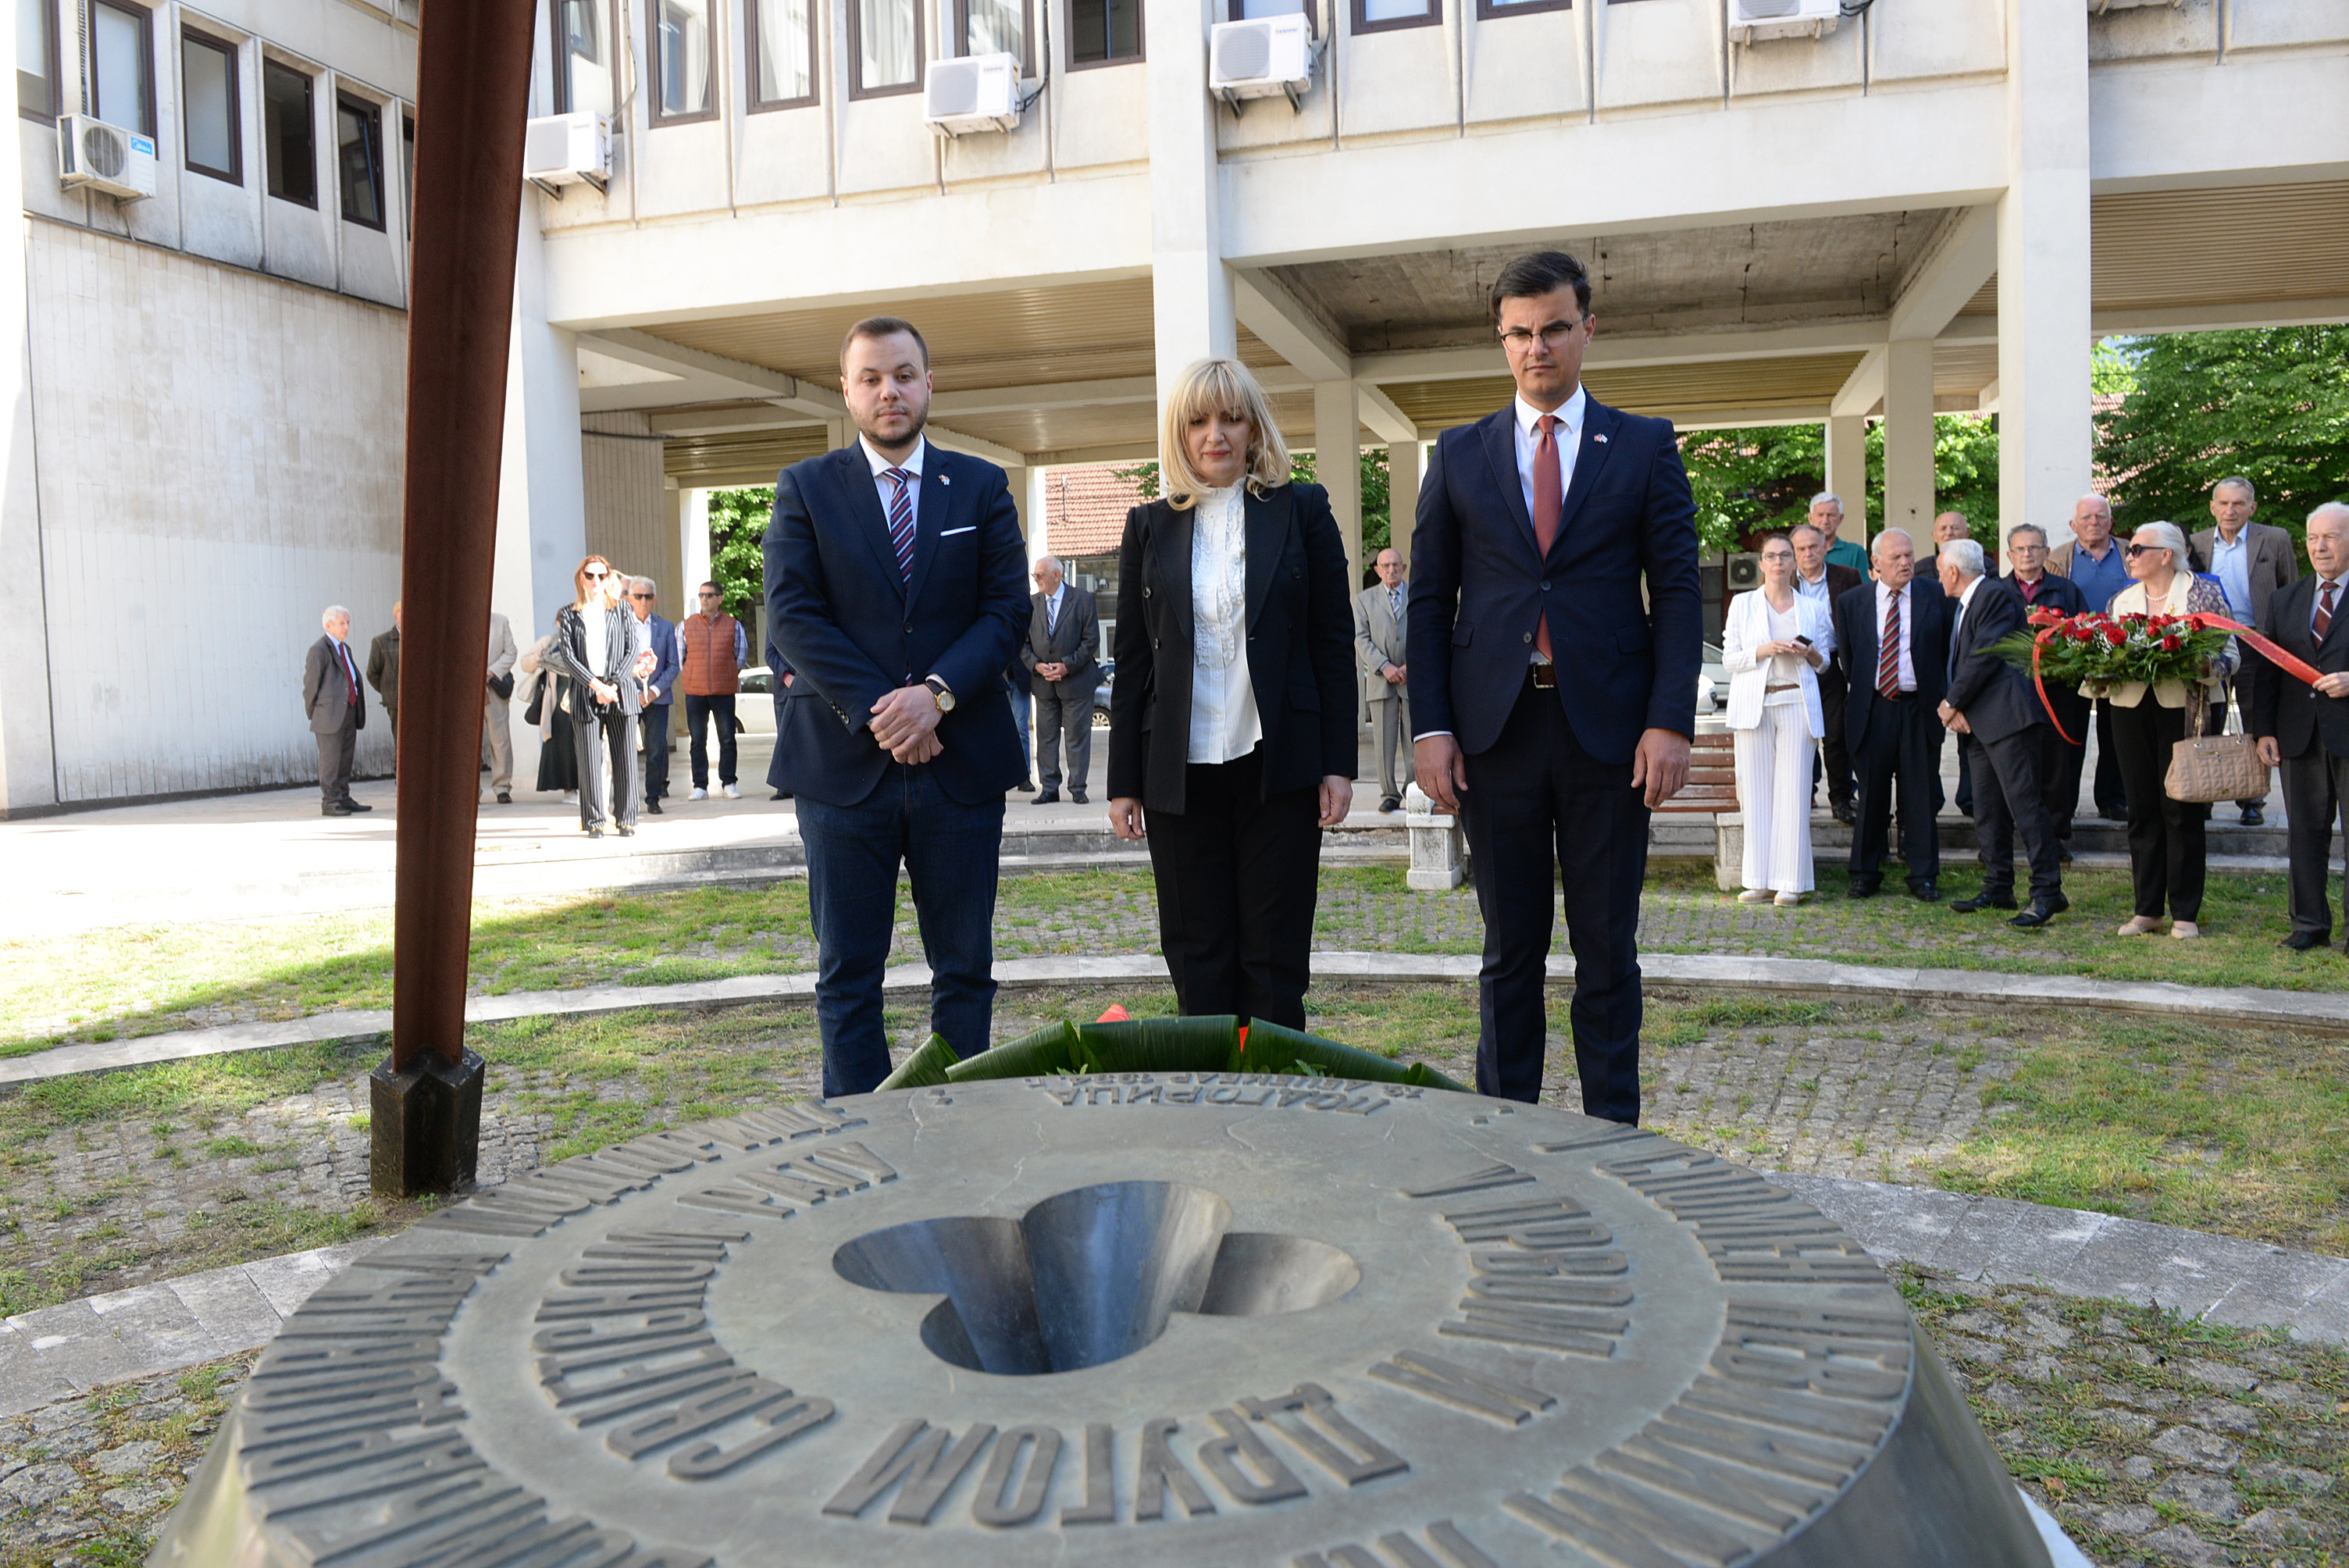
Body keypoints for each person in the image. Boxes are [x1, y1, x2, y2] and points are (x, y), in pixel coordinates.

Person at [1409, 250, 1702, 1121]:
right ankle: (1506, 1135)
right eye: (1519, 334)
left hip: (1609, 737)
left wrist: (1669, 721)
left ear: (1586, 328)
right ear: (1500, 340)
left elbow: (1678, 590)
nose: (1537, 348)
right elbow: (1427, 600)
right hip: (1492, 736)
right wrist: (1429, 726)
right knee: (1508, 952)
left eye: (1554, 329)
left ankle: (1612, 1141)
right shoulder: (1458, 455)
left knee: (1607, 951)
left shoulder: (1643, 444)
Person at [766, 315, 1028, 1096]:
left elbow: (1004, 611)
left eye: (904, 374)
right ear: (846, 389)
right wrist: (889, 709)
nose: (890, 391)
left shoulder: (979, 486)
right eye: (872, 377)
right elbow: (792, 616)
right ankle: (863, 1144)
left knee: (965, 971)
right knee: (846, 975)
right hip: (842, 770)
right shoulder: (805, 488)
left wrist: (936, 697)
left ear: (929, 382)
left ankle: (956, 1133)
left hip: (962, 767)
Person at [1108, 357, 1356, 1029]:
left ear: (1254, 428)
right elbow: (1132, 662)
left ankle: (1273, 1109)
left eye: (1230, 418)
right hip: (1177, 775)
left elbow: (1332, 644)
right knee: (1197, 953)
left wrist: (1338, 764)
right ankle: (1212, 1109)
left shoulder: (1303, 511)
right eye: (1198, 421)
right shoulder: (1146, 526)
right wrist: (1122, 781)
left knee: (1273, 960)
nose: (1214, 434)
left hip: (1278, 768)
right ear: (1181, 435)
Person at [2105, 521, 2238, 939]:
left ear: (2166, 554)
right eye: (2129, 548)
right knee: (2141, 809)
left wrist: (2203, 666)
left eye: (2138, 549)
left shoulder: (2201, 592)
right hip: (2130, 708)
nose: (2129, 555)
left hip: (2186, 708)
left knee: (2181, 810)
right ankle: (2147, 910)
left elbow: (2231, 653)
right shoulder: (2121, 599)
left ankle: (2184, 913)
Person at [1937, 540, 2067, 926]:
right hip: (1980, 723)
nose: (1939, 576)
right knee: (1989, 811)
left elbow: (1987, 653)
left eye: (1941, 569)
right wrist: (1960, 707)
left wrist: (1951, 702)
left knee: (2025, 806)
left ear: (1954, 571)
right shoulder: (1969, 602)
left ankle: (2047, 891)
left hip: (2008, 720)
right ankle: (1998, 886)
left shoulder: (1994, 594)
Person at [2251, 503, 2349, 954]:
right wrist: (2263, 730)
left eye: (2331, 536)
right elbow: (2266, 670)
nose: (2320, 546)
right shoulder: (2286, 599)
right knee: (2305, 833)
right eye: (2313, 538)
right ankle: (2309, 923)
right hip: (2298, 734)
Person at [1834, 529, 1952, 901]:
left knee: (1919, 795)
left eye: (1909, 555)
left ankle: (1923, 875)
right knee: (1871, 797)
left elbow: (1946, 650)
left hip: (1920, 708)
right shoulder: (1853, 602)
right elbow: (1850, 661)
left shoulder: (1935, 595)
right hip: (1873, 709)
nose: (1906, 563)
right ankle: (1866, 873)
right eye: (1897, 557)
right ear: (1876, 563)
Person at [1722, 533, 1834, 905]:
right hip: (1755, 704)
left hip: (1795, 704)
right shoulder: (1742, 604)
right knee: (1755, 793)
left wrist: (1809, 653)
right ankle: (1757, 878)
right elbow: (1730, 660)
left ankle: (1792, 881)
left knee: (1794, 792)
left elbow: (1824, 663)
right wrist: (1764, 650)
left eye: (1786, 555)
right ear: (1761, 563)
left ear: (1794, 562)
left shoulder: (1812, 607)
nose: (1779, 562)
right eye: (1772, 556)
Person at [2191, 476, 2299, 825]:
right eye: (2223, 503)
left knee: (2256, 722)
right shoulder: (2198, 544)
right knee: (2208, 720)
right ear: (2212, 507)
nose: (2230, 510)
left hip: (2256, 640)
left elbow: (2290, 589)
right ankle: (2204, 796)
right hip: (2211, 643)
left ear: (2252, 507)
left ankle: (2252, 799)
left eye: (2238, 503)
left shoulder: (2275, 539)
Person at [542, 555, 651, 839]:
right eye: (590, 576)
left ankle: (627, 819)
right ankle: (594, 821)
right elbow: (568, 656)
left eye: (601, 576)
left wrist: (611, 686)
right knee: (589, 762)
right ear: (581, 578)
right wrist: (596, 686)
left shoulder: (622, 611)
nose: (595, 581)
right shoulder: (569, 614)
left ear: (608, 579)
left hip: (619, 692)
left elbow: (631, 650)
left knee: (625, 759)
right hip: (585, 692)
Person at [2003, 523, 2091, 853]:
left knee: (2057, 764)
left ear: (2046, 552)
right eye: (2021, 549)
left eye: (2035, 548)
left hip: (2058, 692)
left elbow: (2084, 634)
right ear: (2010, 554)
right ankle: (2014, 835)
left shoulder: (2066, 591)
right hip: (2012, 693)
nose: (2028, 554)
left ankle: (2055, 837)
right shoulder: (1996, 590)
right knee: (2016, 763)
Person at [2051, 493, 2131, 821]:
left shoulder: (2131, 553)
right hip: (2074, 655)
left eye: (2100, 517)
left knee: (2116, 733)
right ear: (2074, 524)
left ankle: (2112, 799)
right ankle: (2064, 802)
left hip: (2122, 653)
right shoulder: (2057, 558)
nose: (2093, 523)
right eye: (2086, 518)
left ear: (2111, 522)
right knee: (2071, 731)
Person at [1790, 521, 1863, 822]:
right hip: (1794, 667)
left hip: (1832, 665)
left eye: (1813, 547)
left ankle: (1841, 799)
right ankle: (1800, 796)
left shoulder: (1847, 577)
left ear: (1825, 548)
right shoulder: (1783, 579)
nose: (1808, 553)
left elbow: (1860, 620)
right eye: (1801, 549)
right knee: (1799, 735)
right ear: (1793, 553)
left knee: (1836, 735)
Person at [1022, 554, 1100, 804]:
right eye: (1035, 575)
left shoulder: (1083, 600)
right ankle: (1049, 788)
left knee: (1077, 737)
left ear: (1057, 575)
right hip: (1043, 684)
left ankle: (1078, 788)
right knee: (1046, 738)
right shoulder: (1030, 604)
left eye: (1040, 575)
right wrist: (1037, 665)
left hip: (1077, 683)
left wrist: (1067, 666)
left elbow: (1091, 641)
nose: (1036, 579)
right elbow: (1021, 643)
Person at [1354, 547, 1411, 812]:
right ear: (1377, 570)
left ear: (1404, 567)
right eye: (1385, 566)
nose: (1391, 570)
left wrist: (1414, 665)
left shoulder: (1418, 595)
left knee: (1414, 738)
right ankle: (1389, 793)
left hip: (1413, 680)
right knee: (1384, 740)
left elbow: (1428, 632)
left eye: (1396, 565)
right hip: (1381, 681)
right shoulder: (1364, 600)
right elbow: (1361, 639)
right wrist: (1385, 666)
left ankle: (1414, 789)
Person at [681, 581, 748, 800]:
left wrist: (726, 674)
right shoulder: (686, 626)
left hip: (724, 691)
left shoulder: (733, 625)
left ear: (720, 598)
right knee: (697, 740)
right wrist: (695, 674)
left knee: (728, 739)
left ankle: (729, 783)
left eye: (710, 595)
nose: (705, 599)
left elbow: (740, 657)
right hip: (695, 692)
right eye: (702, 595)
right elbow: (681, 658)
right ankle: (700, 786)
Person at [304, 605, 372, 817]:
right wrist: (315, 713)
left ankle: (343, 797)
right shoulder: (319, 650)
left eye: (348, 623)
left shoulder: (345, 649)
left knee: (344, 759)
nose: (346, 627)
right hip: (328, 716)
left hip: (348, 712)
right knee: (331, 761)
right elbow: (311, 686)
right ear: (328, 625)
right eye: (342, 623)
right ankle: (330, 801)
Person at [627, 576, 681, 814]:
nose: (643, 601)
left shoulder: (666, 627)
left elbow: (673, 665)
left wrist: (653, 691)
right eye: (638, 596)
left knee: (656, 749)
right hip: (628, 696)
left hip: (657, 698)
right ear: (630, 599)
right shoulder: (621, 627)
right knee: (626, 749)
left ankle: (653, 798)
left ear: (655, 599)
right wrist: (637, 691)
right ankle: (627, 798)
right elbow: (617, 663)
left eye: (648, 596)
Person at [517, 634, 579, 800]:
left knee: (582, 743)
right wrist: (542, 655)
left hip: (580, 692)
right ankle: (569, 789)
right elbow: (525, 664)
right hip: (558, 696)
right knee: (563, 743)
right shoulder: (549, 641)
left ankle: (584, 788)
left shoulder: (583, 638)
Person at [483, 610, 518, 804]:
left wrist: (491, 672)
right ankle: (471, 790)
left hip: (493, 688)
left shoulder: (500, 621)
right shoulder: (458, 619)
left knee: (500, 739)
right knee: (466, 742)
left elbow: (511, 651)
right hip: (466, 690)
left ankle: (502, 787)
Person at [365, 601, 401, 748]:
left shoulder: (422, 640)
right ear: (395, 616)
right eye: (402, 612)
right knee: (401, 743)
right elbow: (372, 673)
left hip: (420, 702)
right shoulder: (381, 642)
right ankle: (399, 771)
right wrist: (389, 691)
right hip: (396, 704)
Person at [1811, 493, 1870, 575]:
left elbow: (1865, 586)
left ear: (1841, 518)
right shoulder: (1799, 552)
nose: (1825, 521)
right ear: (1810, 518)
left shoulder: (1855, 552)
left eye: (1831, 515)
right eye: (1820, 515)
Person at [1006, 657, 1035, 793]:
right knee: (998, 731)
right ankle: (1000, 777)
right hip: (997, 679)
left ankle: (1024, 776)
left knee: (1021, 729)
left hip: (1020, 679)